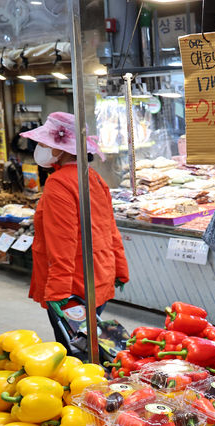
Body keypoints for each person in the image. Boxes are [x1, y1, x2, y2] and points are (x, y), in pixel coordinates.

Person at [20, 112, 129, 348]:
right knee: (93, 347)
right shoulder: (94, 178)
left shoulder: (59, 183)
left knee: (75, 353)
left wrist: (58, 291)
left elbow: (62, 242)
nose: (39, 148)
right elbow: (110, 228)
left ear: (61, 149)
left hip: (72, 288)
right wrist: (119, 269)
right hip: (99, 275)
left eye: (43, 143)